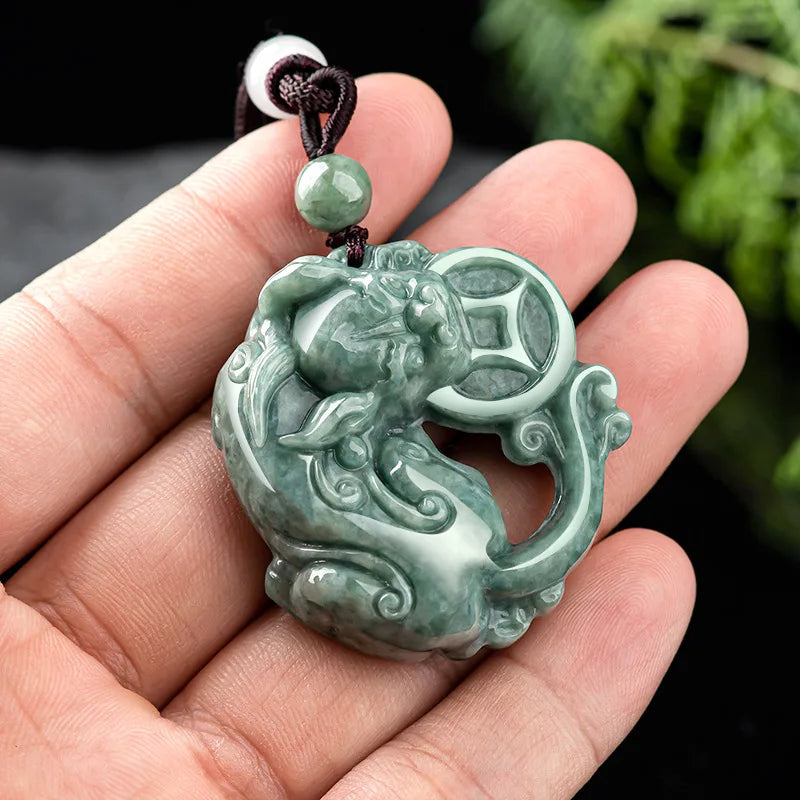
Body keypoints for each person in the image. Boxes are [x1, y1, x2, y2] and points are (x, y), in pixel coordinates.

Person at [0, 74, 747, 798]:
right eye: (407, 352)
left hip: (427, 586)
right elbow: (298, 310)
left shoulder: (277, 372)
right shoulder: (306, 384)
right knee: (345, 554)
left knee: (318, 576)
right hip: (426, 579)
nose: (414, 358)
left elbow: (287, 307)